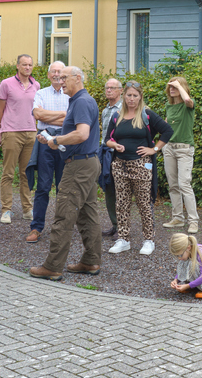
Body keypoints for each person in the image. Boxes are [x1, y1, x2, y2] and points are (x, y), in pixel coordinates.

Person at [28, 66, 103, 280]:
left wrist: (56, 140)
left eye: (64, 77)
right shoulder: (81, 101)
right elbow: (75, 132)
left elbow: (81, 134)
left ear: (77, 79)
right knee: (88, 214)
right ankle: (91, 261)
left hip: (79, 167)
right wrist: (52, 136)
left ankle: (52, 266)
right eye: (58, 77)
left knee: (64, 213)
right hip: (87, 163)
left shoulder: (81, 101)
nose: (60, 81)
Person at [105, 80, 172, 256]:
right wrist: (115, 145)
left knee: (144, 204)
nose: (132, 99)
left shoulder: (147, 115)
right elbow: (107, 139)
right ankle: (123, 239)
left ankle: (148, 240)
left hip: (141, 165)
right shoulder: (117, 116)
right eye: (129, 95)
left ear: (140, 96)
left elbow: (167, 131)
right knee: (122, 204)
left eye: (135, 95)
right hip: (120, 165)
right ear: (124, 96)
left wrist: (154, 149)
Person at [26, 61, 69, 244]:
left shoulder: (70, 94)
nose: (57, 74)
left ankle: (61, 228)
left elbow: (70, 120)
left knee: (63, 187)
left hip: (65, 141)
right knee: (43, 186)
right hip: (44, 140)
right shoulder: (41, 93)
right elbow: (37, 115)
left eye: (60, 71)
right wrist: (62, 115)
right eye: (54, 71)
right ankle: (36, 227)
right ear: (49, 74)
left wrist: (49, 115)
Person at [0, 54, 39, 224]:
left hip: (31, 132)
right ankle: (6, 210)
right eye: (24, 65)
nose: (27, 67)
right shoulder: (6, 84)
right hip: (11, 132)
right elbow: (0, 108)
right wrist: (1, 129)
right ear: (17, 66)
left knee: (26, 173)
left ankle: (27, 209)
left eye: (30, 65)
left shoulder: (36, 85)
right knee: (8, 173)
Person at [161, 76, 199, 234]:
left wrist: (179, 85)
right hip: (169, 148)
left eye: (175, 86)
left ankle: (193, 221)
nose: (171, 89)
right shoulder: (169, 107)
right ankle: (177, 218)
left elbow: (188, 100)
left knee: (184, 184)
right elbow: (166, 127)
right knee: (173, 185)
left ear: (182, 87)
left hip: (184, 149)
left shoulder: (188, 105)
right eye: (170, 86)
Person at [99, 78, 123, 237]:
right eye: (107, 88)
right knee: (108, 189)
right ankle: (114, 224)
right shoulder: (105, 110)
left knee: (120, 190)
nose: (109, 90)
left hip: (119, 152)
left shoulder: (124, 109)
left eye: (112, 88)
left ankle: (122, 226)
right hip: (104, 151)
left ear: (121, 90)